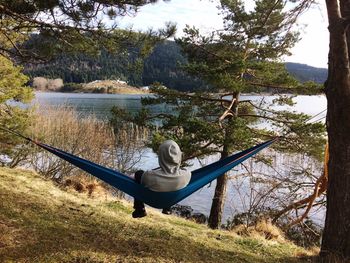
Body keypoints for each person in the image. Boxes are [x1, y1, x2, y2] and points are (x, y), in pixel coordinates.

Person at [132, 140, 191, 218]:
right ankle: (167, 208)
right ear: (179, 156)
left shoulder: (149, 176)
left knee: (139, 174)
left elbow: (141, 184)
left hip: (154, 199)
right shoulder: (187, 174)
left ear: (161, 156)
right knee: (170, 185)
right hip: (170, 199)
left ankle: (140, 209)